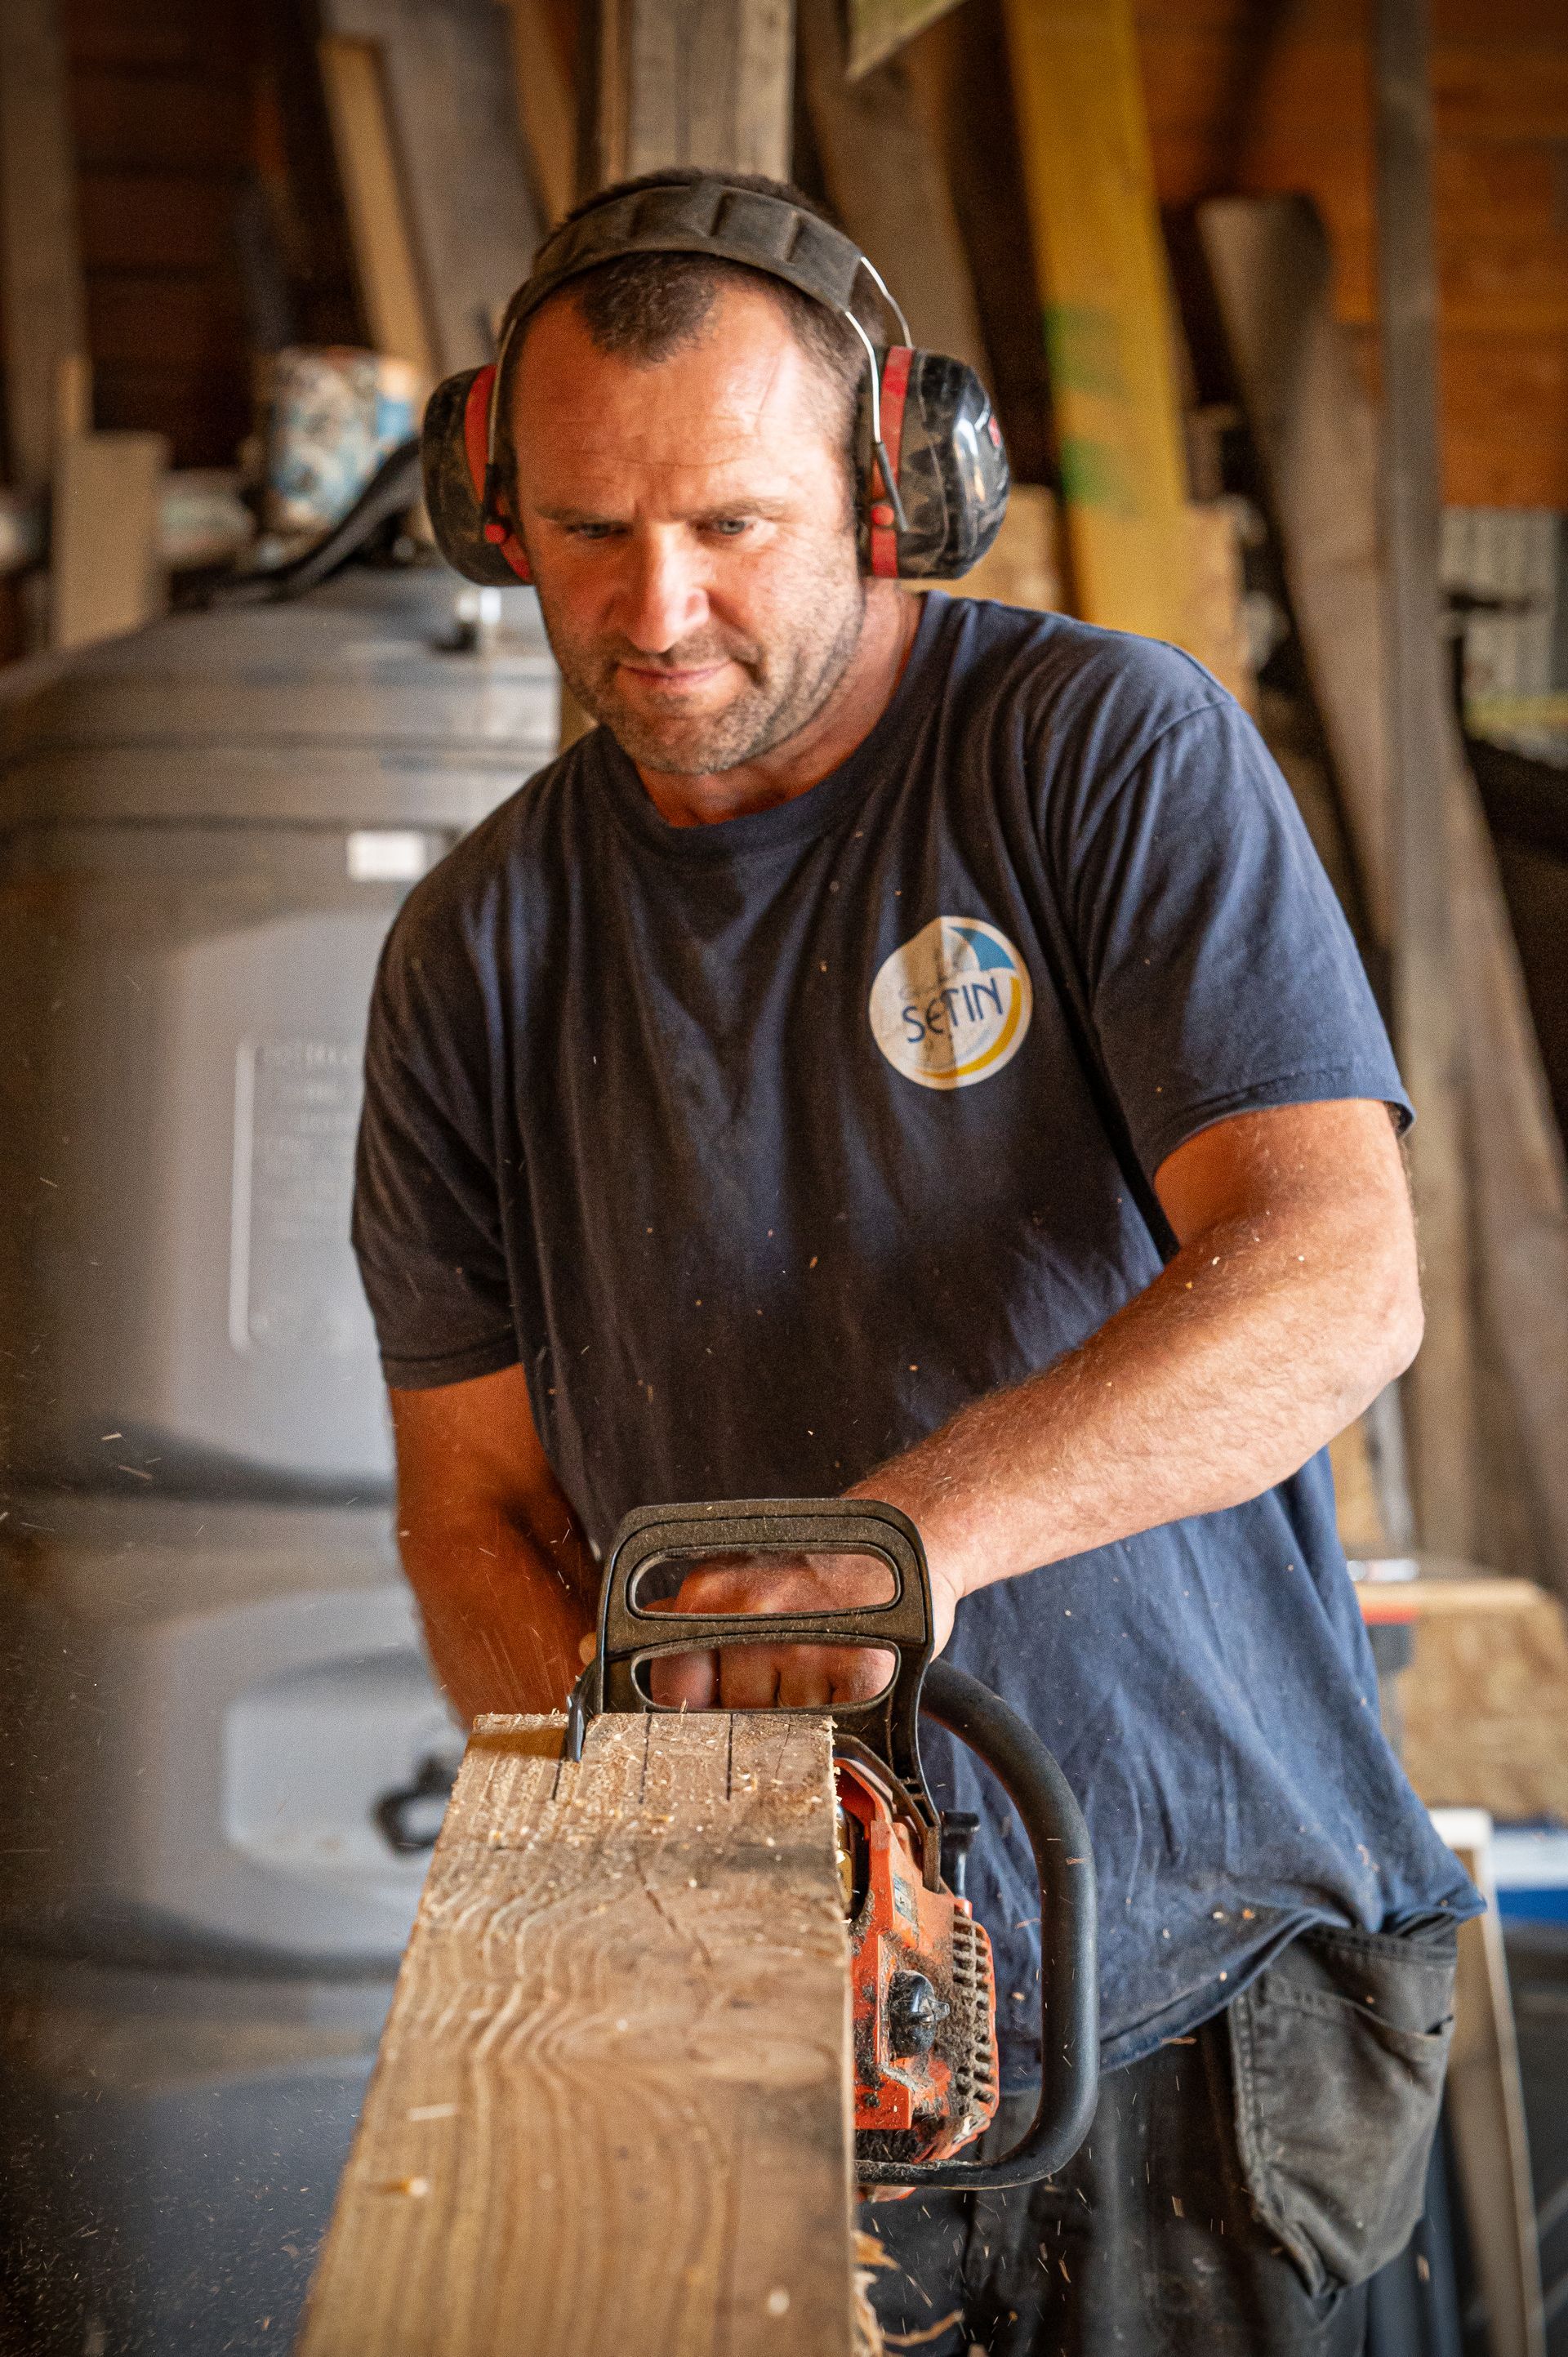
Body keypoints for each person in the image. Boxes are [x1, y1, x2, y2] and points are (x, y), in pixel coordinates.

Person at [352, 167, 1477, 2355]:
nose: (654, 604)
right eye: (589, 534)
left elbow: (1336, 1272)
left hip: (1197, 1996)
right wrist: (653, 1844)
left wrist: (911, 1539)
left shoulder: (1096, 756)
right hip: (771, 2044)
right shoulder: (478, 952)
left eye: (730, 527)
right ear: (497, 508)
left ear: (898, 485)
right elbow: (471, 1508)